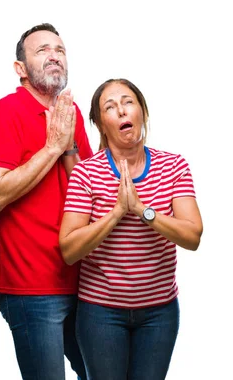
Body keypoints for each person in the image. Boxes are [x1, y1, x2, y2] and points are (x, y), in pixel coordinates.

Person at [59, 78, 203, 380]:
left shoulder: (174, 166)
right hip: (100, 313)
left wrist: (142, 210)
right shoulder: (86, 173)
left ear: (142, 112)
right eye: (110, 107)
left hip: (159, 313)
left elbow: (193, 236)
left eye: (128, 102)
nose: (122, 110)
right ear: (101, 125)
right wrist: (116, 213)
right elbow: (69, 249)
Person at [0, 23, 92, 380]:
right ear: (21, 69)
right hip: (31, 286)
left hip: (83, 279)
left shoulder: (69, 115)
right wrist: (53, 147)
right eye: (42, 50)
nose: (54, 55)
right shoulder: (5, 112)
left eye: (60, 49)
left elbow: (89, 191)